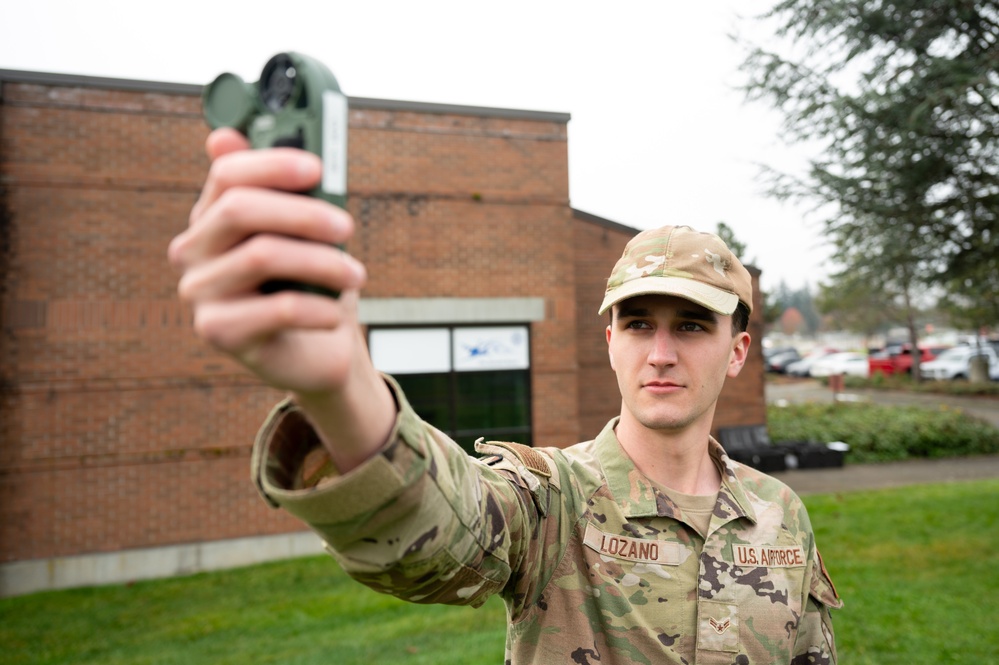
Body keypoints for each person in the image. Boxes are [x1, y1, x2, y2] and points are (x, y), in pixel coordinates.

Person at [169, 128, 842, 664]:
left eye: (691, 326)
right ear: (609, 338)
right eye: (638, 323)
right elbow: (439, 532)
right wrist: (339, 384)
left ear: (736, 351)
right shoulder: (551, 499)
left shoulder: (778, 513)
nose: (660, 352)